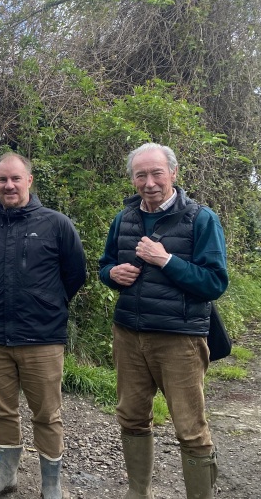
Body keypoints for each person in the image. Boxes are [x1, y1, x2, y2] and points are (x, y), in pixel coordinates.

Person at [99, 143, 228, 499]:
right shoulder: (123, 218)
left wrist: (166, 260)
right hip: (129, 334)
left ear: (173, 173)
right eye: (141, 175)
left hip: (180, 339)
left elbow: (215, 282)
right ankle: (137, 493)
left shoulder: (201, 218)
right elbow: (104, 265)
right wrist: (113, 273)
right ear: (133, 179)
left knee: (190, 428)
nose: (149, 182)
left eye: (157, 173)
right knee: (132, 418)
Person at [0, 152, 86, 499]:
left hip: (42, 337)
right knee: (1, 409)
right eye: (2, 180)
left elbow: (74, 274)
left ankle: (51, 485)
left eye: (16, 179)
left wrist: (47, 304)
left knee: (47, 414)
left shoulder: (56, 224)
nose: (9, 186)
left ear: (29, 181)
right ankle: (7, 476)